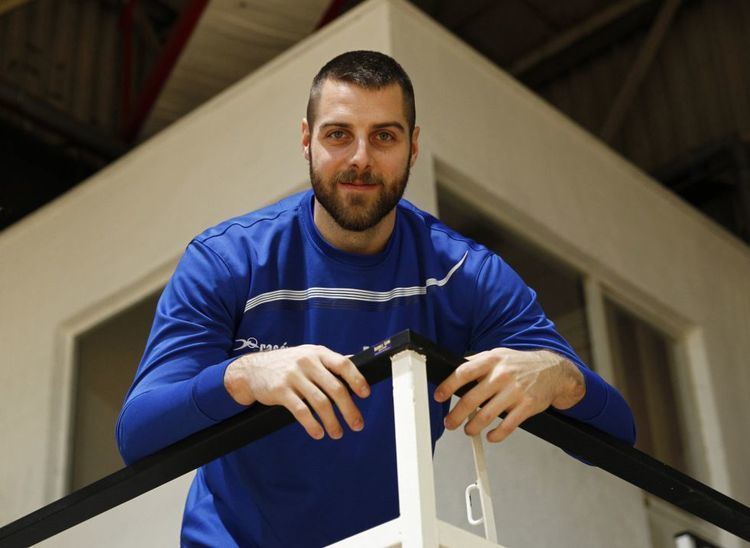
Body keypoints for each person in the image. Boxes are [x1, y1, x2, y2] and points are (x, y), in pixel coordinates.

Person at [116, 50, 636, 547]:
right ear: (307, 140)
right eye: (339, 134)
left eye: (383, 136)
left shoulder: (462, 274)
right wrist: (243, 376)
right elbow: (138, 434)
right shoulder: (229, 260)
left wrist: (560, 377)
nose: (360, 159)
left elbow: (617, 437)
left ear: (413, 146)